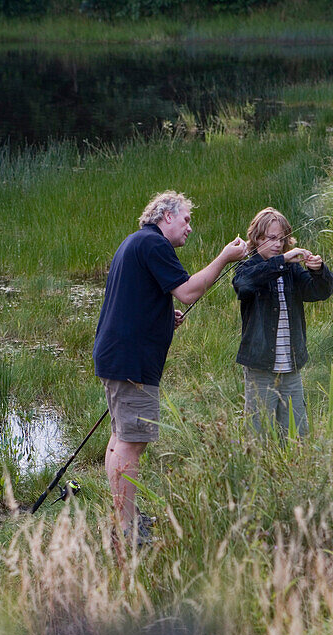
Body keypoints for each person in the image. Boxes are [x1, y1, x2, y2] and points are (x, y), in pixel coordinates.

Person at [93, 191, 247, 544]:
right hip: (131, 362)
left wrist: (162, 316)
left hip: (117, 356)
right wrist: (225, 257)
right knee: (131, 443)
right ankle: (127, 530)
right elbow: (189, 292)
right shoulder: (155, 245)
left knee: (121, 439)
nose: (189, 227)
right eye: (186, 219)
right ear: (165, 216)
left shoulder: (137, 242)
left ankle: (124, 519)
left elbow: (137, 297)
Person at [233, 207, 333, 437]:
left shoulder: (292, 270)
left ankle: (294, 471)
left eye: (283, 239)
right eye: (271, 238)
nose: (278, 244)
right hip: (260, 366)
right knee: (258, 435)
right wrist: (282, 260)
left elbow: (319, 292)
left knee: (296, 434)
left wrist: (318, 271)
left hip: (291, 367)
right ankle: (260, 473)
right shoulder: (248, 267)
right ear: (257, 239)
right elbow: (243, 285)